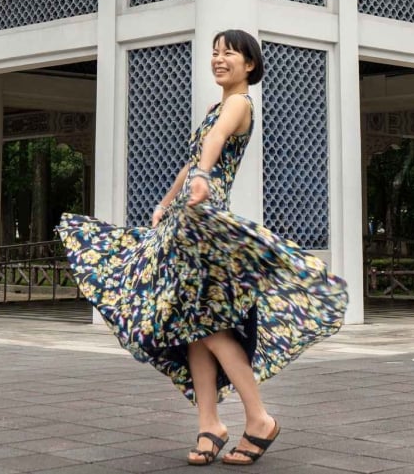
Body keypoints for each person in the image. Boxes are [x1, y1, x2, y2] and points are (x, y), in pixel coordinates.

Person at [56, 30, 347, 466]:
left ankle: (259, 418)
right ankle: (209, 423)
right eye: (215, 52)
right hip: (186, 223)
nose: (218, 58)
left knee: (210, 326)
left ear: (249, 63)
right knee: (191, 325)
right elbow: (192, 159)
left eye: (228, 52)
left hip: (204, 230)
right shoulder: (217, 105)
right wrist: (167, 201)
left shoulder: (238, 104)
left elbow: (209, 151)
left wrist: (203, 178)